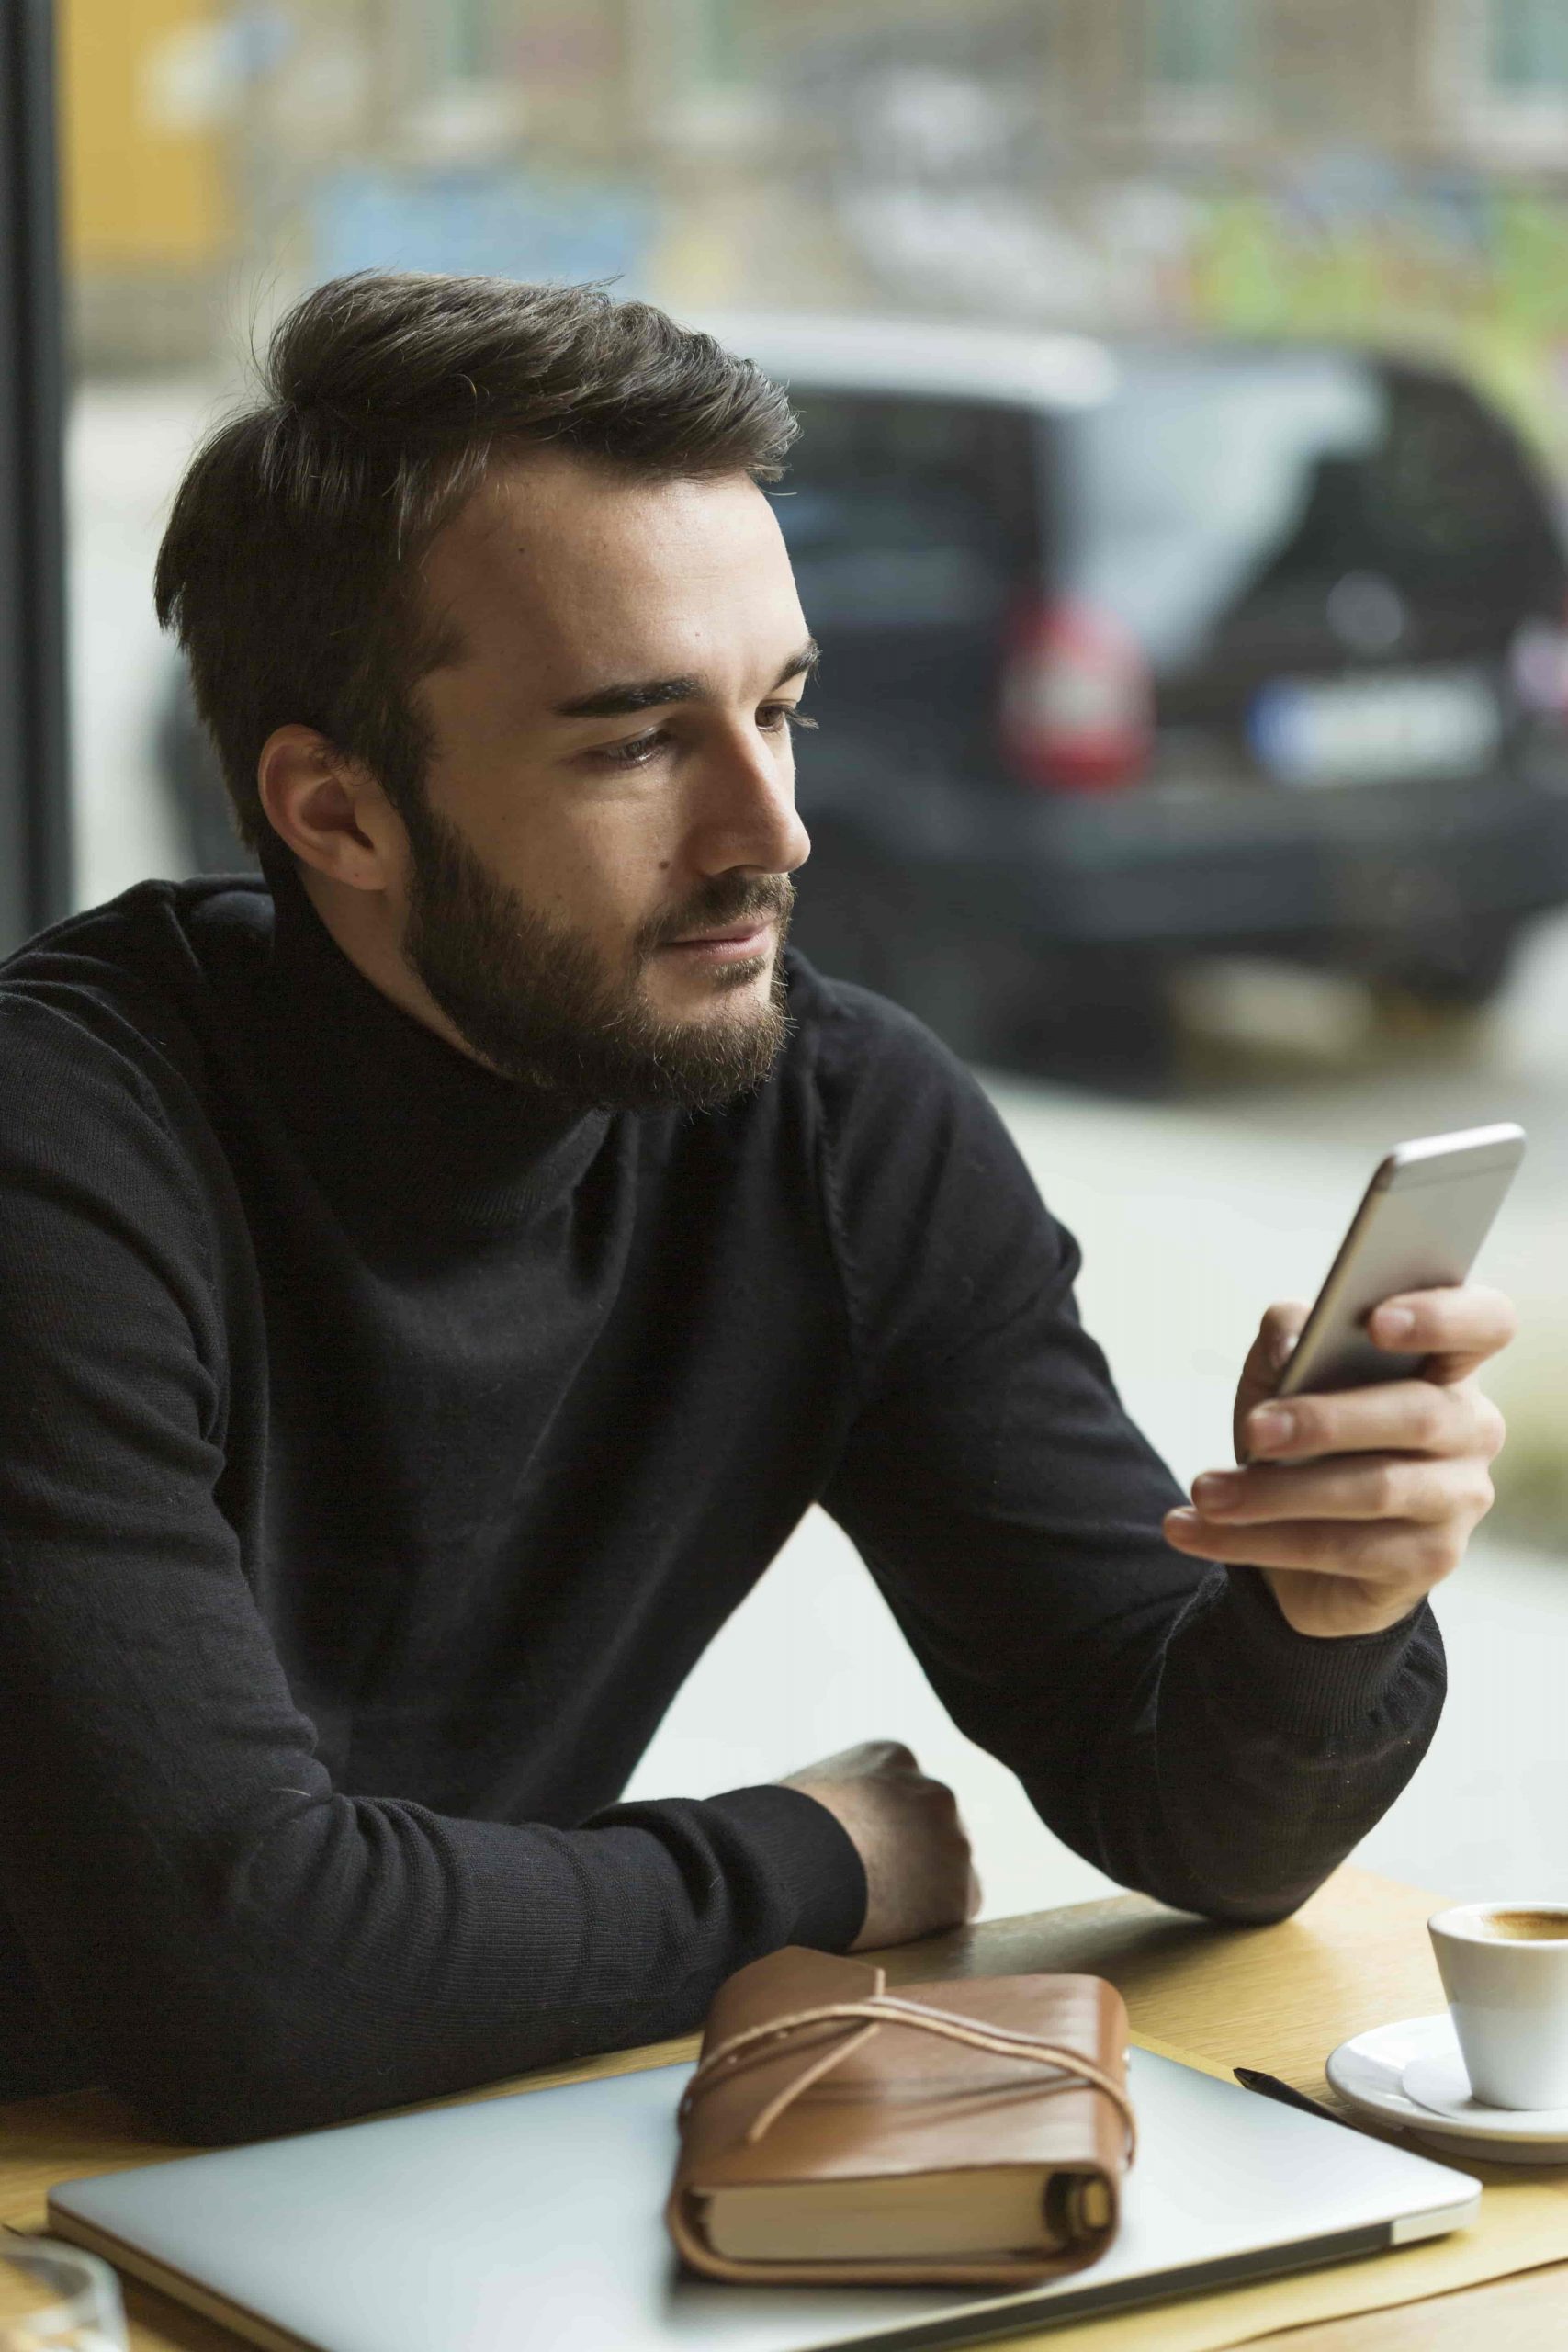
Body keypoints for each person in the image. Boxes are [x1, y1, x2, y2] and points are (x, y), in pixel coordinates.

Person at [0, 274, 1510, 2145]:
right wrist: (807, 1856)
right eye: (636, 741)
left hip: (382, 2160)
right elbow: (250, 1978)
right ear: (335, 811)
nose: (770, 826)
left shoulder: (834, 1126)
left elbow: (1190, 1812)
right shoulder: (60, 1153)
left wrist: (1322, 1609)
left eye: (778, 707)